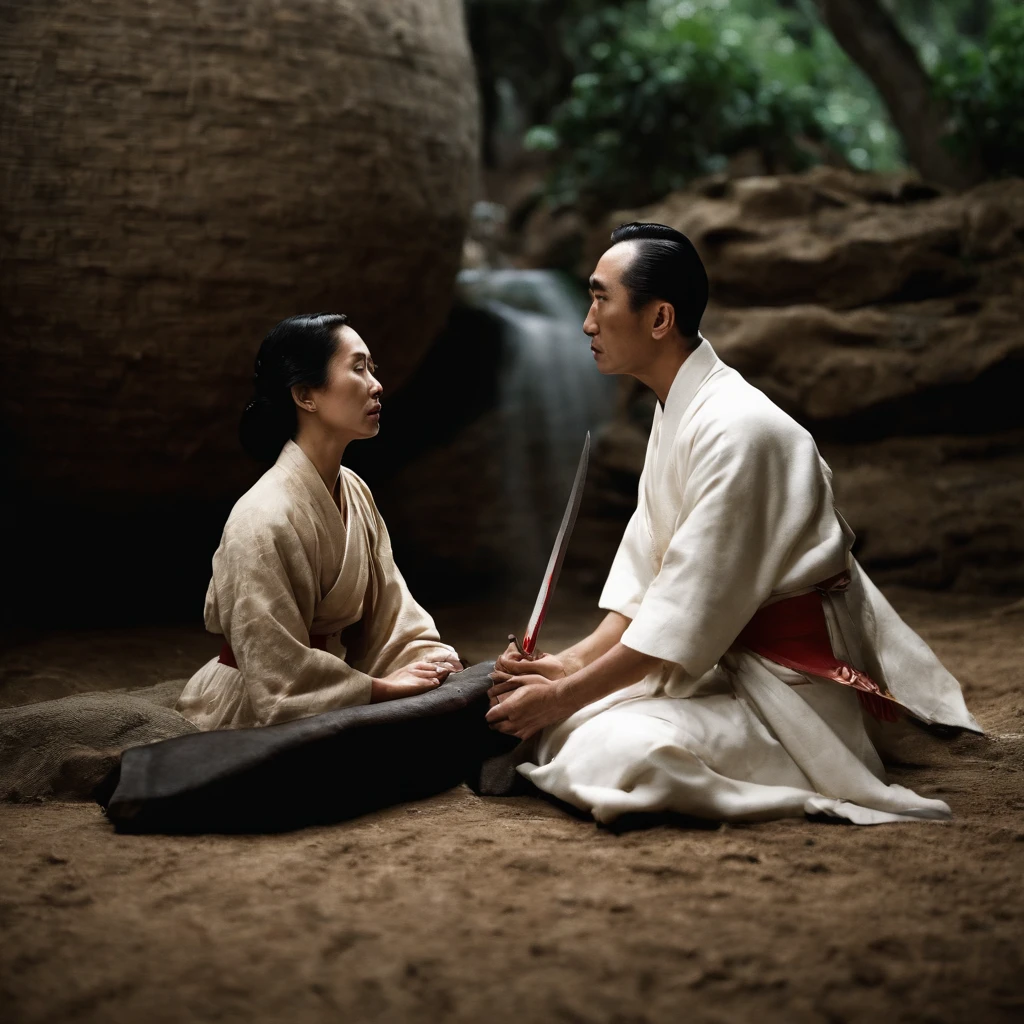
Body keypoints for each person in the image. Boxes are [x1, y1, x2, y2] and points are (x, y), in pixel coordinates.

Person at [485, 223, 980, 826]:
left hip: (786, 689)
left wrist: (563, 695)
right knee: (565, 725)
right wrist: (568, 667)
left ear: (659, 317)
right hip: (717, 661)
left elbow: (685, 614)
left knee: (612, 750)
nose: (587, 323)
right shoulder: (679, 413)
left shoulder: (740, 430)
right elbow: (651, 585)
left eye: (600, 299)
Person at [176, 313, 462, 730]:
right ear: (306, 395)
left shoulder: (355, 490)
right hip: (256, 709)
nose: (377, 385)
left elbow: (391, 610)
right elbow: (277, 679)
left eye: (373, 370)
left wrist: (428, 659)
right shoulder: (261, 517)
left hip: (339, 690)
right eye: (359, 368)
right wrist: (382, 688)